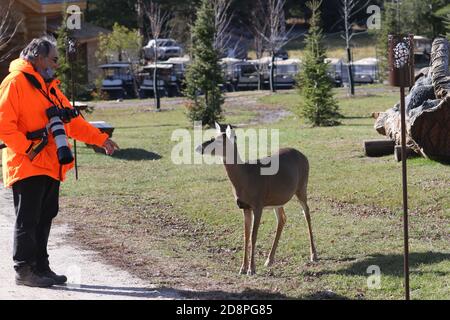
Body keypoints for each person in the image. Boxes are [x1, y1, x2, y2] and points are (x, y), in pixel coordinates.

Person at [0, 36, 119, 288]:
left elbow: (72, 123)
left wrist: (101, 139)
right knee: (28, 219)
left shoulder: (49, 87)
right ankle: (24, 270)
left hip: (51, 163)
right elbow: (4, 127)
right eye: (54, 59)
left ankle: (41, 267)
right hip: (27, 163)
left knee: (45, 216)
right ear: (39, 58)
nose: (56, 64)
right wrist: (29, 149)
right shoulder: (15, 83)